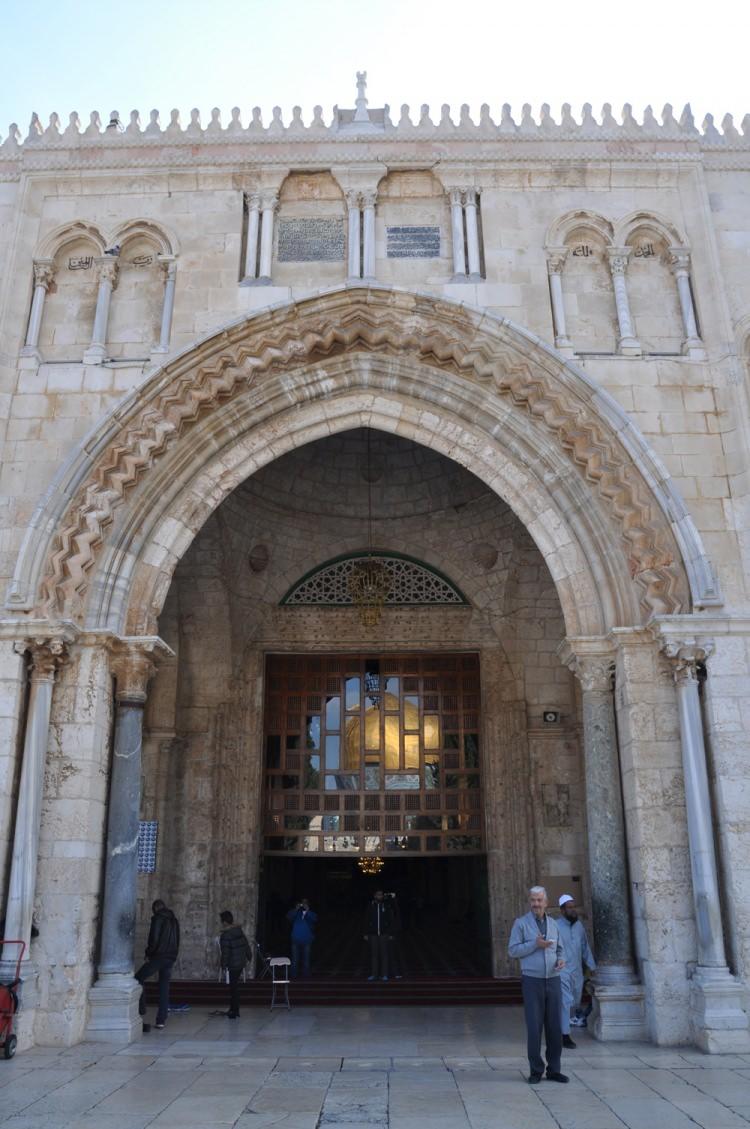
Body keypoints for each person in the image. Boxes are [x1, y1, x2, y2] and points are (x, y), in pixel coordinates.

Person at [508, 885, 568, 1085]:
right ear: (529, 901)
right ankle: (536, 1070)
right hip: (532, 980)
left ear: (546, 902)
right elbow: (513, 950)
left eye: (539, 900)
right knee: (534, 1028)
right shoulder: (521, 924)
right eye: (533, 900)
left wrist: (561, 960)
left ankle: (554, 1070)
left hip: (553, 979)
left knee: (555, 1027)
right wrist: (535, 944)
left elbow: (560, 949)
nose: (536, 904)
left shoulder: (554, 924)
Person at [557, 894, 596, 1045]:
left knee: (575, 1000)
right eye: (570, 908)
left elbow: (585, 947)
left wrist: (592, 966)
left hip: (577, 971)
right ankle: (564, 1034)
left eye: (574, 907)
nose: (573, 910)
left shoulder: (579, 926)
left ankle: (567, 1024)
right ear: (562, 910)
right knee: (565, 1001)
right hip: (562, 970)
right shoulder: (555, 926)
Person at [135, 899, 180, 1029]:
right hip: (170, 957)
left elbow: (153, 939)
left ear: (155, 908)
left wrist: (148, 954)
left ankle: (141, 1009)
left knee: (138, 978)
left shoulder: (158, 918)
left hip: (159, 956)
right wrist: (173, 955)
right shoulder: (174, 920)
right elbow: (177, 940)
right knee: (164, 987)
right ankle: (161, 1020)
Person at [218, 909, 252, 1019]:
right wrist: (249, 956)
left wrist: (223, 965)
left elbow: (225, 953)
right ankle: (233, 1009)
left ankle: (235, 1011)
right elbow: (246, 945)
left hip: (233, 964)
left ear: (224, 922)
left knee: (233, 988)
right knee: (234, 986)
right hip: (240, 962)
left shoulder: (225, 935)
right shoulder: (239, 931)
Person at [364, 889, 394, 981]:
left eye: (381, 895)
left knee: (384, 954)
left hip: (384, 933)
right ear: (374, 896)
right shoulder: (370, 906)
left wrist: (390, 933)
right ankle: (374, 974)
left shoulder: (386, 906)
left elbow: (390, 920)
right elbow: (366, 919)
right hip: (373, 934)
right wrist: (365, 933)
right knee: (374, 955)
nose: (379, 896)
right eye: (378, 895)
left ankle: (384, 974)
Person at [286, 898, 317, 978]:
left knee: (306, 959)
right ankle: (293, 976)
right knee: (295, 959)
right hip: (295, 939)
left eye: (305, 902)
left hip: (307, 940)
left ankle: (306, 976)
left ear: (308, 904)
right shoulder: (296, 913)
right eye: (302, 902)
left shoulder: (311, 913)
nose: (303, 904)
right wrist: (296, 909)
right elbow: (289, 917)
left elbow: (314, 919)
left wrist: (307, 911)